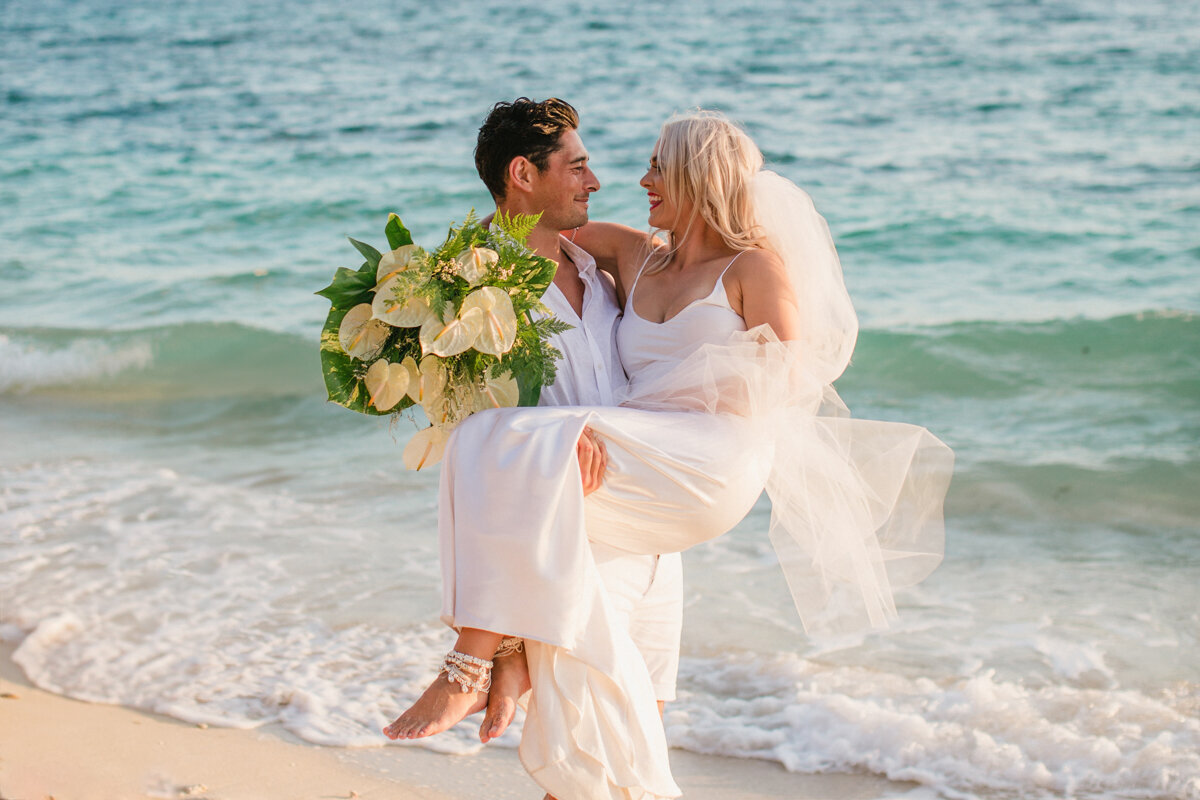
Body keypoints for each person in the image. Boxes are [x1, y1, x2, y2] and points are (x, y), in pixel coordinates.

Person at [387, 110, 953, 800]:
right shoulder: (633, 255)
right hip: (631, 475)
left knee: (493, 444)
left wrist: (649, 408)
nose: (637, 179)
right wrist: (417, 294)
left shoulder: (753, 268)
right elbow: (513, 230)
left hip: (706, 459)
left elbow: (798, 377)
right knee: (604, 698)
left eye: (658, 166)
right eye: (584, 165)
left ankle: (472, 664)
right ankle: (511, 654)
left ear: (695, 176)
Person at [384, 97, 687, 758]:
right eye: (577, 167)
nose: (595, 182)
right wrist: (558, 434)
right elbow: (474, 430)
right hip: (572, 539)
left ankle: (505, 660)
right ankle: (481, 663)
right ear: (524, 175)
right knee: (589, 753)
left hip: (653, 537)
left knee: (639, 748)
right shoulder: (465, 288)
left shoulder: (596, 270)